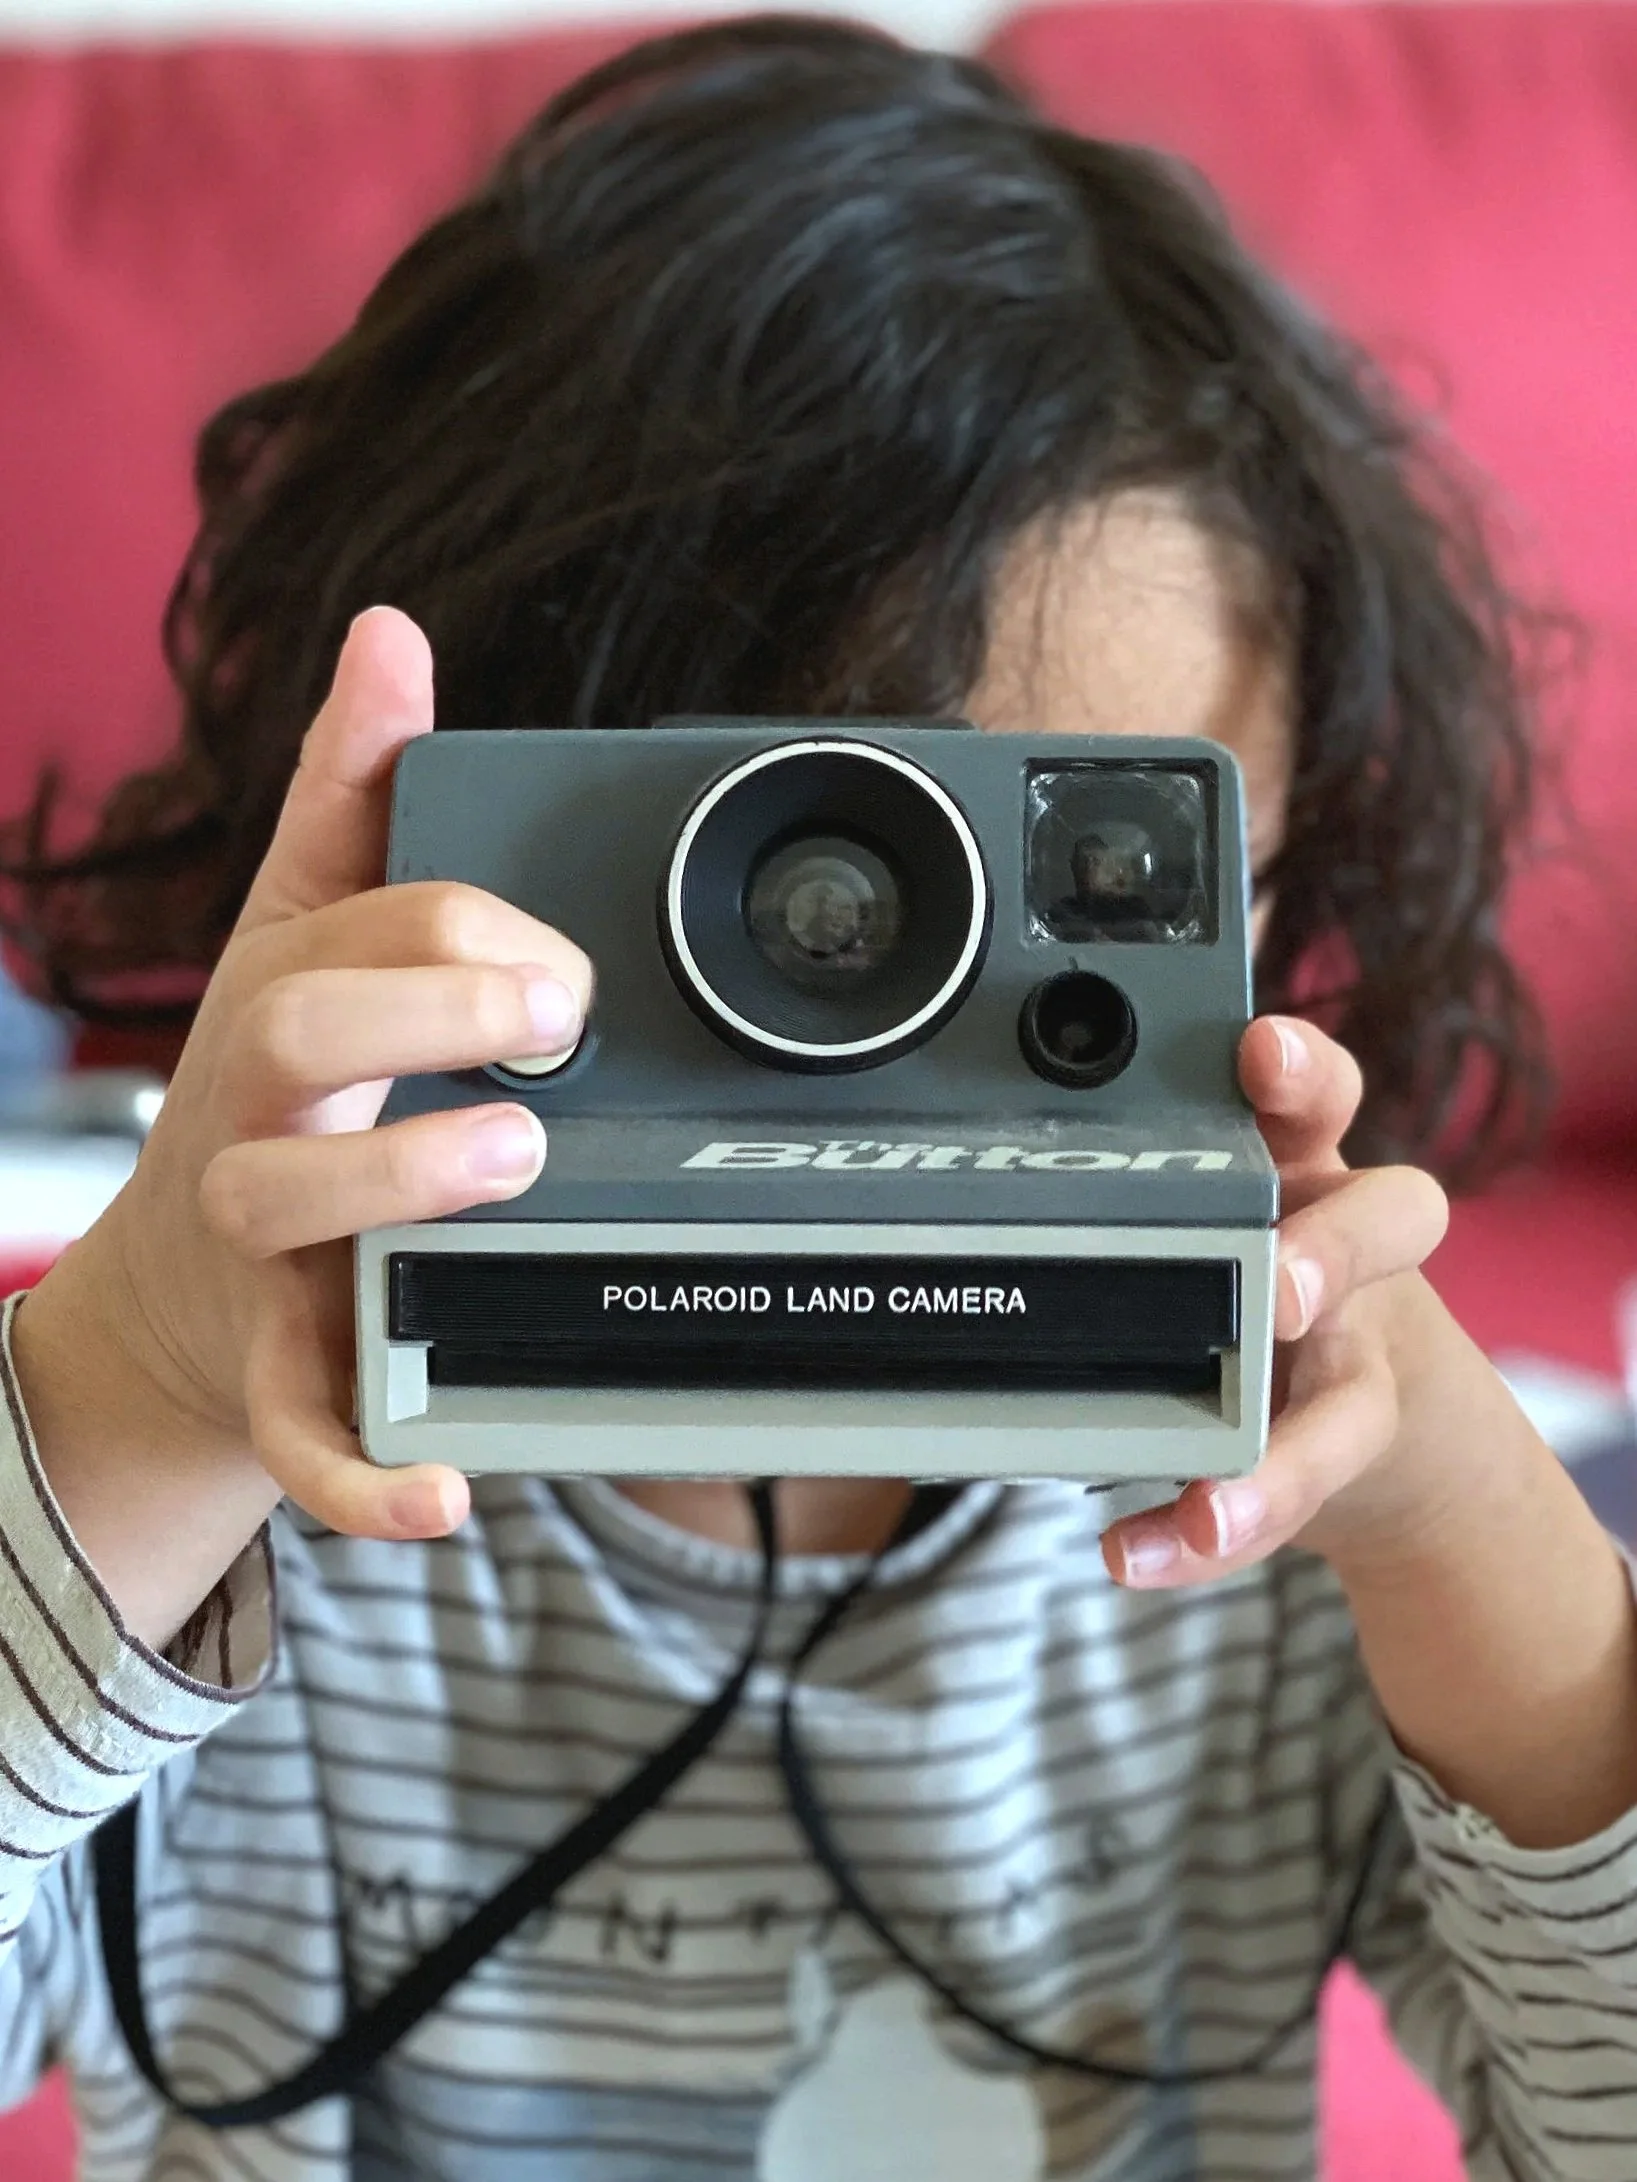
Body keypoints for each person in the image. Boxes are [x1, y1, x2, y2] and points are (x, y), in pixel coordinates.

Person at [1, 19, 1635, 2181]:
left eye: (1078, 883)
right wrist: (132, 1389)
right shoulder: (219, 1488)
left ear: (1280, 882)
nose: (870, 1020)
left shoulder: (1302, 1546)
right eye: (785, 891)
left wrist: (1474, 1557)